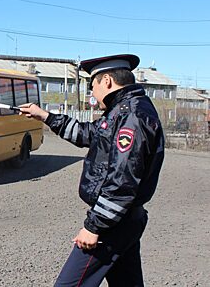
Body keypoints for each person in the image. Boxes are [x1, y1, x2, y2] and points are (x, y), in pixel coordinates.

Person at [19, 54, 164, 286]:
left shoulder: (132, 116)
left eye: (92, 84)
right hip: (123, 218)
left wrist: (93, 226)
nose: (92, 92)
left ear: (106, 81)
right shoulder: (122, 110)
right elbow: (88, 134)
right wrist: (44, 116)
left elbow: (122, 181)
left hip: (114, 223)